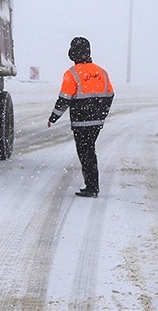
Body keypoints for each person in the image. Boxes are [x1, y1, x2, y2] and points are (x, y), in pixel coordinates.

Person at [48, 37, 114, 198]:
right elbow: (110, 94)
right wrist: (102, 113)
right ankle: (92, 185)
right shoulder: (102, 72)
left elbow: (64, 99)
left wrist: (53, 117)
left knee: (85, 153)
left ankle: (92, 187)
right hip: (96, 122)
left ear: (72, 54)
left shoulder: (72, 74)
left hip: (80, 122)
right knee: (90, 150)